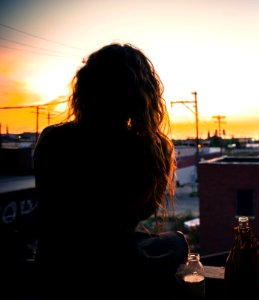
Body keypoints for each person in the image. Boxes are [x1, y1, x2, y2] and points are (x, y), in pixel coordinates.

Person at [33, 43, 188, 298]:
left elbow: (51, 208)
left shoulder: (53, 139)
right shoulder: (150, 148)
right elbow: (142, 212)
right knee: (177, 241)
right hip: (115, 271)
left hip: (55, 270)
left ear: (85, 89)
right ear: (141, 96)